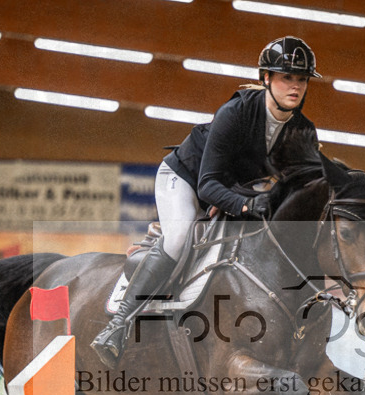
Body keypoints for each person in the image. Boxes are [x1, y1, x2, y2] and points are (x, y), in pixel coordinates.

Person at [91, 36, 323, 364]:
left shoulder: (304, 132)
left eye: (301, 79)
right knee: (181, 234)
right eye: (286, 77)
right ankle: (119, 323)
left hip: (237, 191)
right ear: (266, 78)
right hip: (186, 178)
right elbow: (208, 184)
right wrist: (245, 204)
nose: (295, 87)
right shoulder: (237, 112)